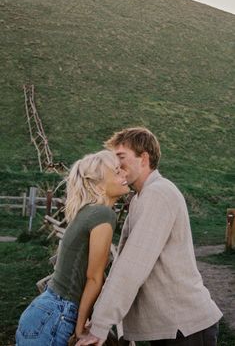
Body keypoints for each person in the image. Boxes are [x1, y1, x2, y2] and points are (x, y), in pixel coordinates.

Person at [77, 127, 222, 346]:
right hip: (173, 327)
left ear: (144, 158)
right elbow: (123, 263)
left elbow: (132, 265)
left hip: (185, 327)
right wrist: (99, 316)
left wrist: (100, 325)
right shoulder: (140, 197)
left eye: (121, 157)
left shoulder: (158, 194)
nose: (116, 165)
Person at [15, 150, 129, 346]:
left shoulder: (87, 212)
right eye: (117, 172)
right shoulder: (103, 215)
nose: (124, 174)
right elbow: (93, 277)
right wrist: (79, 329)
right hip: (57, 315)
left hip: (42, 311)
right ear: (98, 184)